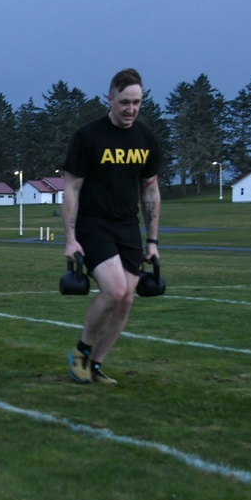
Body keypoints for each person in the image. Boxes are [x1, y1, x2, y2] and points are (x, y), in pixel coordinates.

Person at [60, 69, 161, 385]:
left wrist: (152, 241)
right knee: (115, 290)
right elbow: (72, 189)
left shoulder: (147, 140)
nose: (131, 109)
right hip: (93, 225)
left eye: (137, 102)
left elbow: (150, 190)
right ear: (110, 99)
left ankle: (96, 366)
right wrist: (70, 239)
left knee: (127, 298)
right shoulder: (88, 137)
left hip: (127, 226)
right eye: (124, 102)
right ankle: (81, 350)